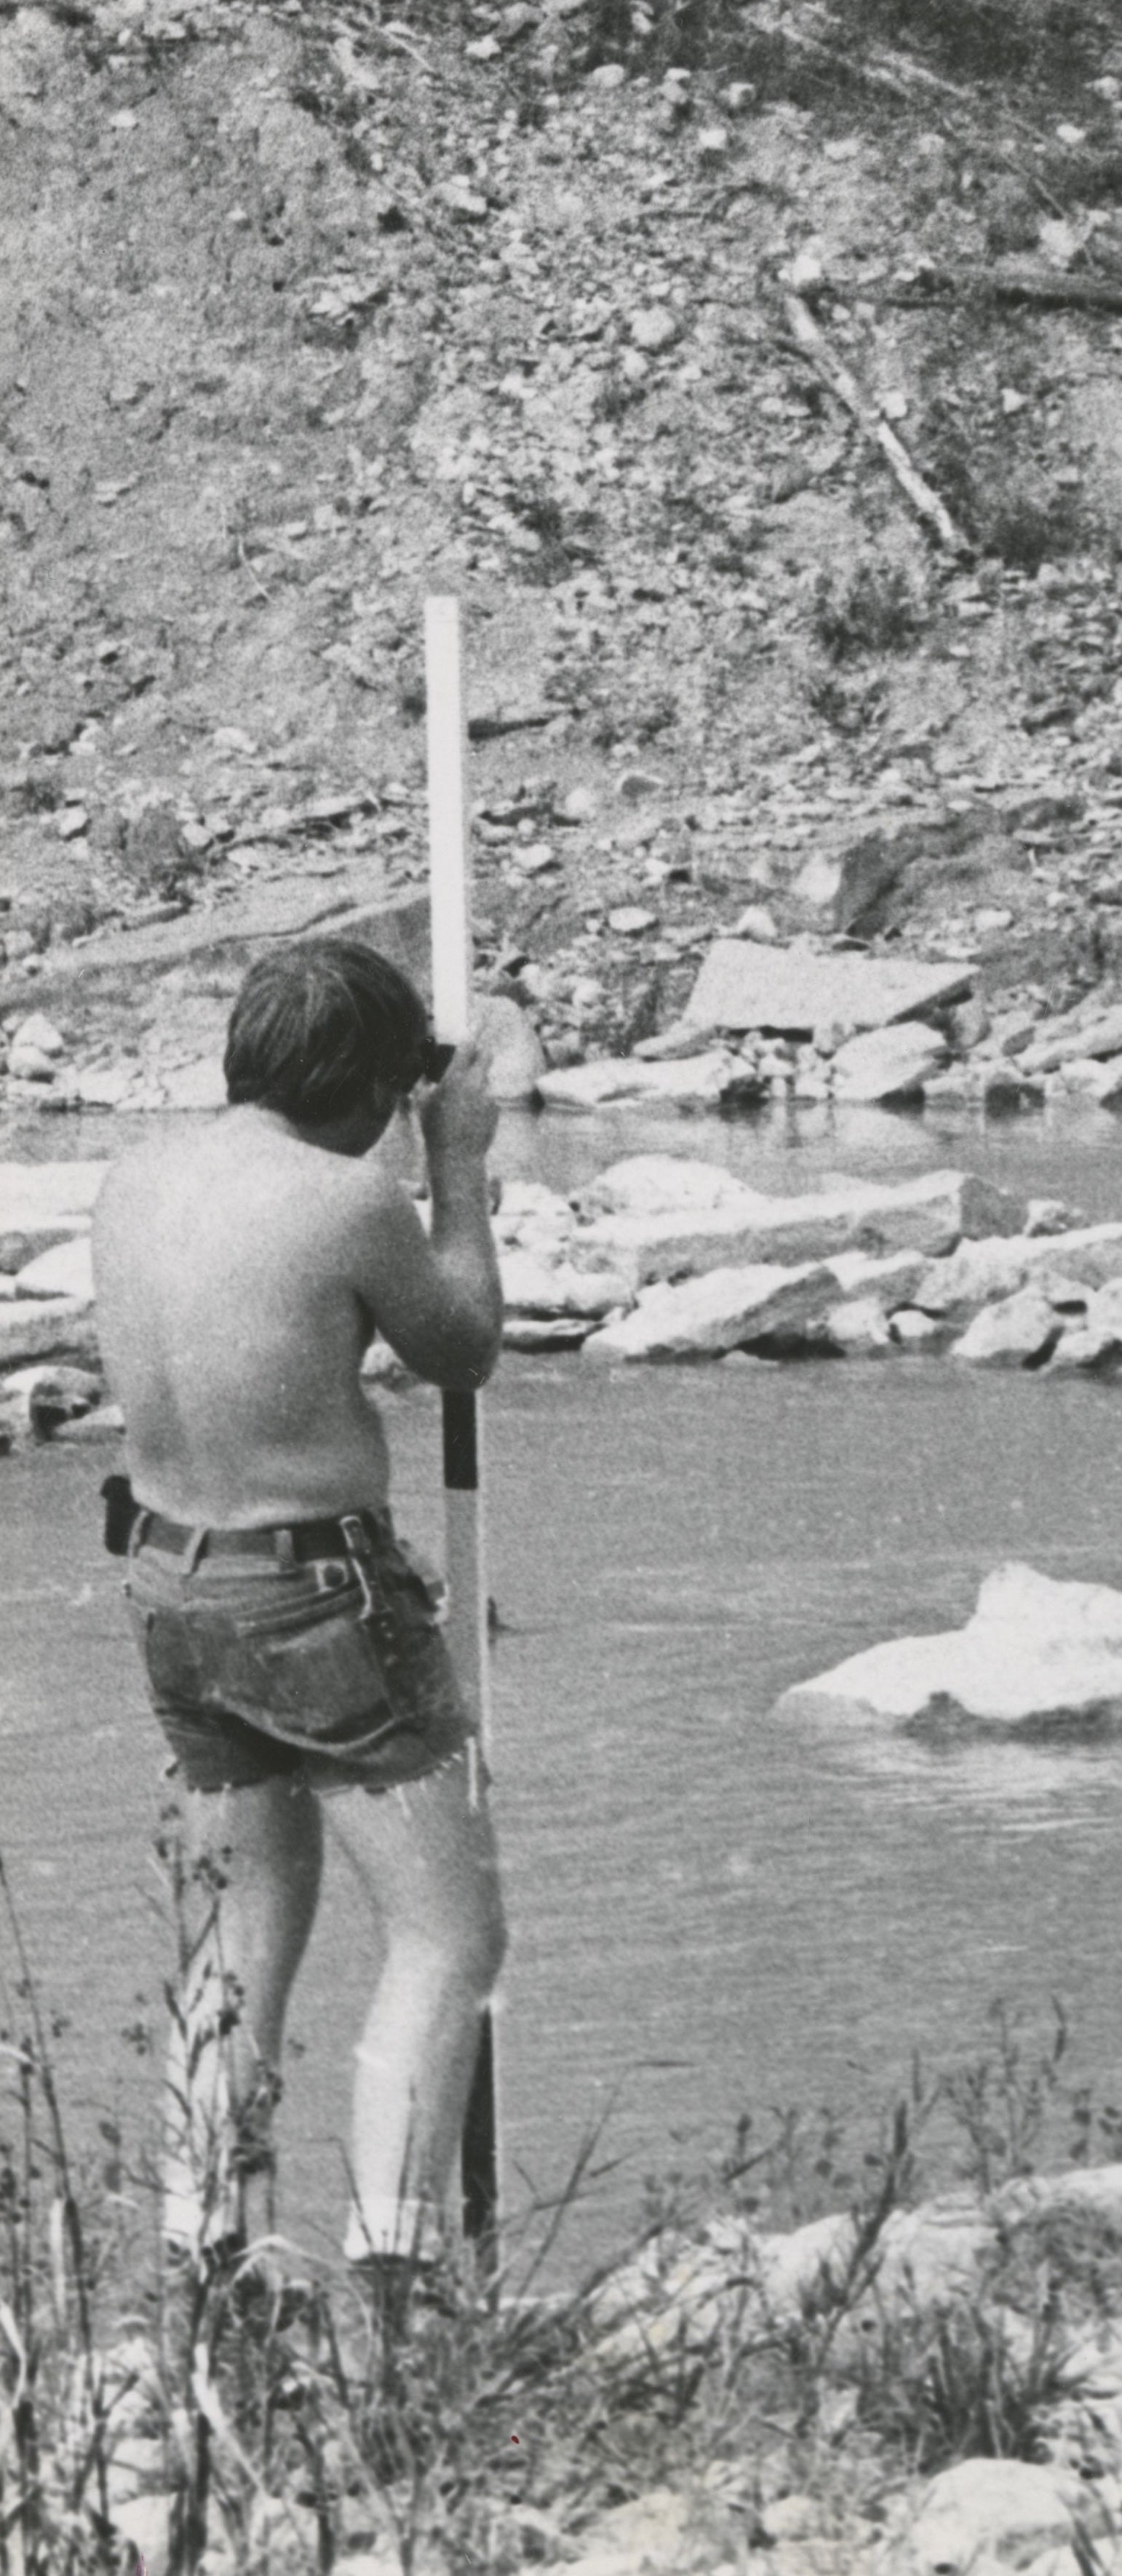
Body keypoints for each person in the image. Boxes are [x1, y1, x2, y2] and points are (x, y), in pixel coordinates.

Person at [89, 938, 505, 2308]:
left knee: (238, 1936)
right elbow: (462, 1345)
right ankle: (395, 2274)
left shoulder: (137, 1176)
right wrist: (456, 1168)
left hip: (170, 1581)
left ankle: (207, 2251)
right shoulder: (348, 1199)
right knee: (447, 1936)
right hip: (318, 1592)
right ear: (373, 1088)